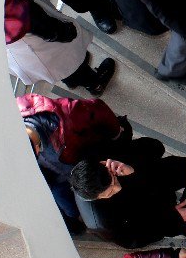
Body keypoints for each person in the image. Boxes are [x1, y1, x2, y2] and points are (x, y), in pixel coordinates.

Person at [17, 93, 136, 233]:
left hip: (86, 161)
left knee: (98, 193)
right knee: (66, 205)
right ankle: (76, 223)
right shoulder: (22, 137)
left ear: (36, 149)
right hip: (59, 176)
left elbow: (98, 108)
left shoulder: (66, 117)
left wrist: (116, 133)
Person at [69, 153, 186, 248]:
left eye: (114, 180)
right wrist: (175, 218)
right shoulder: (102, 222)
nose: (117, 187)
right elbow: (135, 239)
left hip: (158, 181)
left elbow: (155, 147)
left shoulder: (101, 160)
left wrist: (133, 170)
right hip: (156, 216)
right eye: (110, 192)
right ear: (96, 198)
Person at [4, 0, 115, 94]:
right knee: (65, 60)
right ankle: (95, 85)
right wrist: (68, 32)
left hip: (12, 49)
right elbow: (48, 29)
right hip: (36, 36)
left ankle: (71, 81)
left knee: (57, 67)